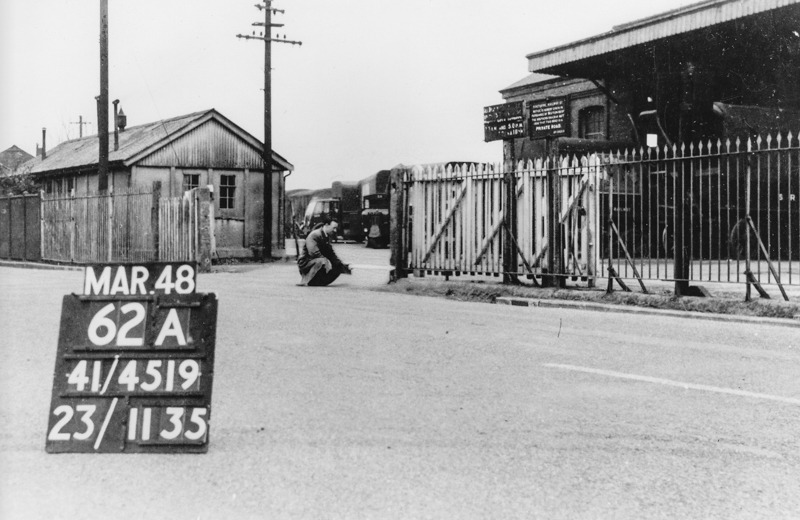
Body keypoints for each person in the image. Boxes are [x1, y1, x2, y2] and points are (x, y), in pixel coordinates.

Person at [296, 218, 352, 286]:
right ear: (326, 225)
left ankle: (318, 282)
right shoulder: (315, 235)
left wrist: (342, 265)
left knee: (338, 267)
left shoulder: (326, 236)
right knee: (322, 261)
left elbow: (331, 254)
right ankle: (307, 280)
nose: (335, 230)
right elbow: (313, 253)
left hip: (316, 261)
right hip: (305, 263)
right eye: (334, 228)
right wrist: (327, 261)